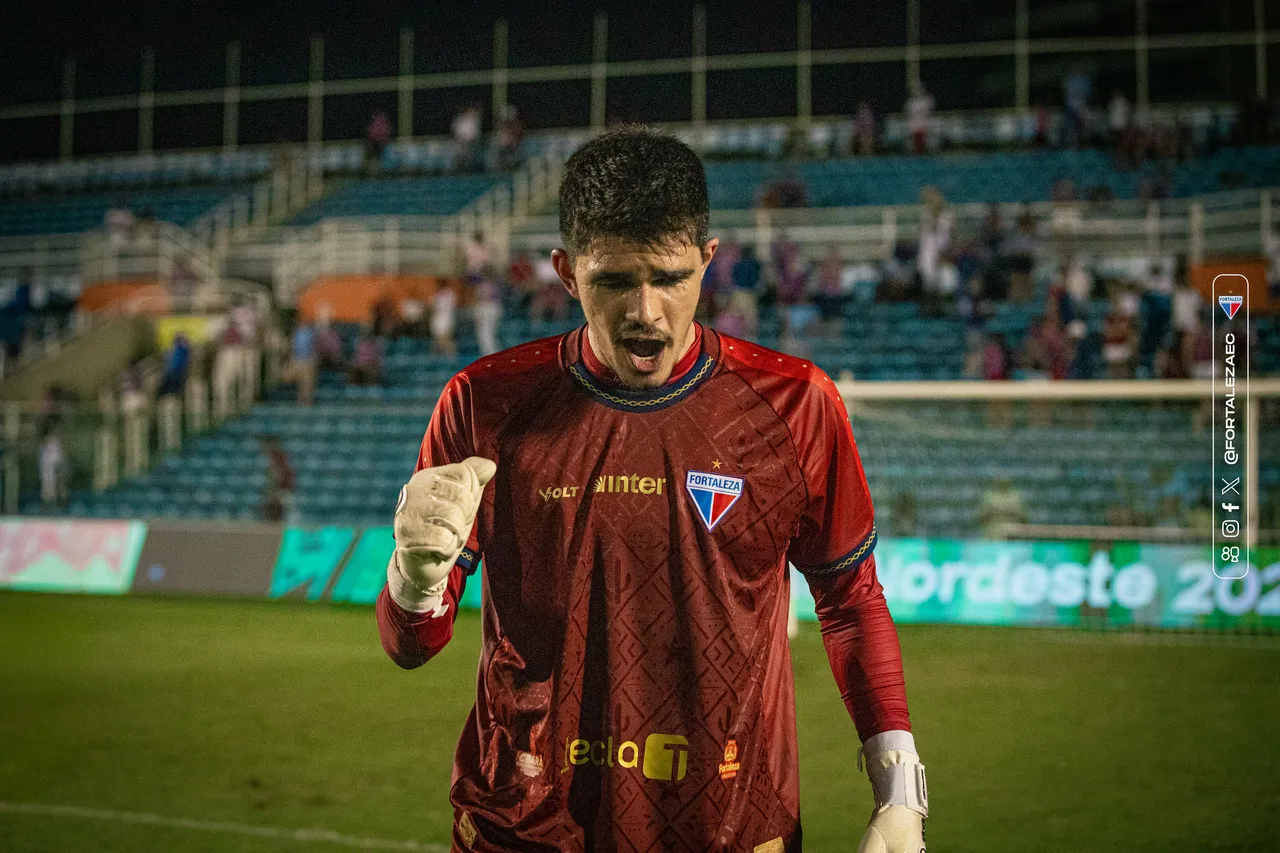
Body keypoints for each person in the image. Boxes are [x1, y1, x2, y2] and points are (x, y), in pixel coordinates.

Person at [376, 127, 926, 853]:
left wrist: (900, 789)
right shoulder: (484, 404)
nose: (645, 311)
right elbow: (410, 646)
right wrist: (414, 578)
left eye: (669, 278)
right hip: (525, 826)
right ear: (566, 272)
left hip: (727, 827)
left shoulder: (795, 406)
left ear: (708, 261)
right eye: (613, 281)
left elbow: (851, 597)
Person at [258, 435, 296, 523]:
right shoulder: (269, 460)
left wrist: (279, 493)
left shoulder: (283, 460)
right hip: (272, 494)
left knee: (286, 502)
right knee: (267, 503)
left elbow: (288, 482)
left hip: (284, 492)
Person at [39, 427, 67, 510]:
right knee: (47, 487)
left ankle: (59, 505)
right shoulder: (44, 445)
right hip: (47, 470)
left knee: (58, 487)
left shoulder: (56, 443)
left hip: (56, 470)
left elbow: (59, 458)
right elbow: (42, 459)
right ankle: (47, 505)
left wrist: (59, 467)